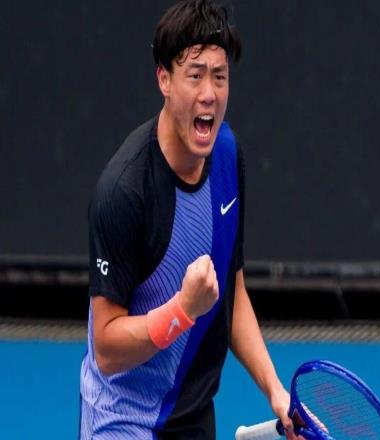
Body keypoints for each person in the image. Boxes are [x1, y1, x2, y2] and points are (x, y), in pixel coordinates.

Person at [80, 1, 301, 438]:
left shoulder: (227, 156)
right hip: (122, 419)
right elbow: (106, 348)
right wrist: (182, 311)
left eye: (219, 76)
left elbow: (232, 291)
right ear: (164, 79)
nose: (209, 93)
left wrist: (275, 390)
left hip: (194, 416)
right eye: (195, 75)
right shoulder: (123, 192)